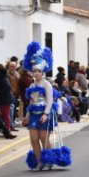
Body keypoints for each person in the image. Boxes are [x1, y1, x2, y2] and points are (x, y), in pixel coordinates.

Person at [22, 42, 62, 170]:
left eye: (39, 71)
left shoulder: (47, 85)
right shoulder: (31, 86)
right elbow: (31, 102)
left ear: (42, 72)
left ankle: (49, 159)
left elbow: (50, 101)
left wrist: (45, 114)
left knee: (44, 138)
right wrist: (27, 116)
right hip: (34, 115)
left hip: (45, 114)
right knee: (34, 138)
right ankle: (40, 161)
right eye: (34, 71)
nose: (36, 73)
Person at [0, 64, 15, 131]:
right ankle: (6, 129)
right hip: (1, 99)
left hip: (5, 99)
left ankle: (7, 129)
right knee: (2, 114)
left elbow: (7, 87)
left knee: (5, 115)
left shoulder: (2, 78)